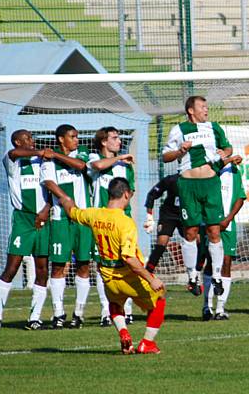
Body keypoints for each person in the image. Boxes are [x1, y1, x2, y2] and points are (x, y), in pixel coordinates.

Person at [59, 177, 166, 354]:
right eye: (130, 193)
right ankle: (147, 343)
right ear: (125, 194)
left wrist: (63, 197)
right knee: (160, 298)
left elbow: (72, 212)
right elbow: (129, 258)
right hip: (128, 276)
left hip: (107, 276)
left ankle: (124, 334)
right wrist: (151, 278)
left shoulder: (94, 214)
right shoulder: (125, 222)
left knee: (116, 303)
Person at [162, 95, 233, 297]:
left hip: (210, 183)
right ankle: (192, 275)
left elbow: (228, 148)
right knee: (191, 231)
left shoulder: (214, 127)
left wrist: (224, 152)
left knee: (214, 231)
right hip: (188, 184)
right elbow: (165, 156)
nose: (206, 110)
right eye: (202, 107)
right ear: (191, 111)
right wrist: (179, 151)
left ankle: (217, 276)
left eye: (207, 107)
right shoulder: (178, 130)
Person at [0, 130, 53, 332]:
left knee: (42, 269)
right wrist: (40, 151)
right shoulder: (13, 161)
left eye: (32, 138)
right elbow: (13, 154)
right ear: (18, 142)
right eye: (27, 139)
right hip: (23, 220)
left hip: (42, 220)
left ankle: (35, 318)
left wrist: (46, 209)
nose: (31, 142)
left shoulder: (43, 162)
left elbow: (51, 189)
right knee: (12, 268)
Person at [41, 124, 93, 329]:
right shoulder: (48, 162)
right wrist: (64, 198)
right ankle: (58, 313)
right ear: (61, 139)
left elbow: (81, 166)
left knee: (83, 264)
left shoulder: (82, 154)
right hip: (61, 219)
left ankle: (78, 313)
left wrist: (55, 155)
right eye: (72, 137)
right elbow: (48, 182)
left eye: (77, 136)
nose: (76, 140)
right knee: (59, 266)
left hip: (83, 219)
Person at [88, 126, 135, 327]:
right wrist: (119, 158)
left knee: (128, 263)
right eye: (114, 138)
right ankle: (106, 311)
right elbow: (98, 165)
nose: (119, 141)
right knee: (102, 267)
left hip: (123, 220)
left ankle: (128, 310)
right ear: (104, 142)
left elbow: (130, 191)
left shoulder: (126, 167)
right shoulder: (93, 157)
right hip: (102, 222)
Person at [201, 156, 246, 321]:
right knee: (211, 262)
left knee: (226, 261)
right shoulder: (208, 169)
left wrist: (228, 219)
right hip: (209, 222)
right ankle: (207, 307)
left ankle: (220, 308)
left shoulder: (234, 171)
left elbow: (241, 197)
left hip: (227, 225)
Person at [142, 173, 183, 275]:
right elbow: (151, 195)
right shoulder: (171, 180)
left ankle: (195, 276)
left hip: (188, 214)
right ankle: (147, 273)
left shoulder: (198, 180)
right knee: (162, 242)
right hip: (169, 214)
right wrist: (149, 218)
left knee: (198, 241)